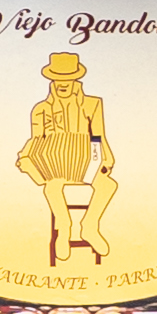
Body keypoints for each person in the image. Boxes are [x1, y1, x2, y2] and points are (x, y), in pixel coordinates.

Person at [14, 50, 117, 267]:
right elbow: (36, 140)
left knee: (108, 185)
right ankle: (64, 229)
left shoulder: (92, 104)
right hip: (57, 168)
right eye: (58, 79)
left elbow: (98, 136)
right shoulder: (41, 110)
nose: (62, 83)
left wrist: (106, 159)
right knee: (52, 187)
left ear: (75, 80)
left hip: (87, 161)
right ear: (51, 80)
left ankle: (90, 226)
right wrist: (24, 156)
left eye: (67, 79)